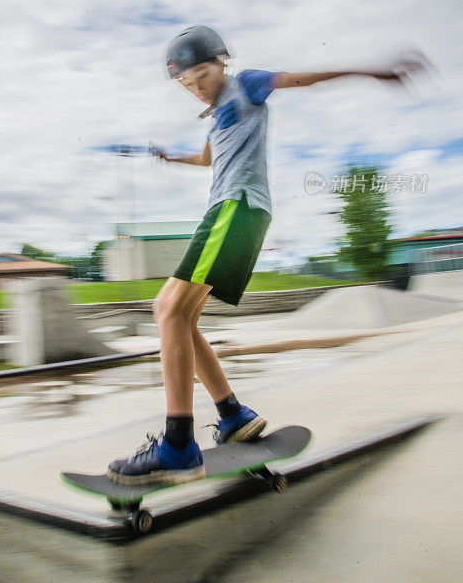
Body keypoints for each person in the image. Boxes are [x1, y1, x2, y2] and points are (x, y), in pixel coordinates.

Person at [108, 25, 429, 486]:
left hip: (236, 208)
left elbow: (307, 78)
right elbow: (207, 159)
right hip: (238, 213)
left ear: (222, 63)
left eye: (204, 74)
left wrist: (374, 72)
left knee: (166, 309)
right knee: (182, 319)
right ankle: (234, 416)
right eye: (188, 83)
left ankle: (178, 446)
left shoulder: (247, 84)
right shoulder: (217, 114)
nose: (199, 88)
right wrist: (169, 158)